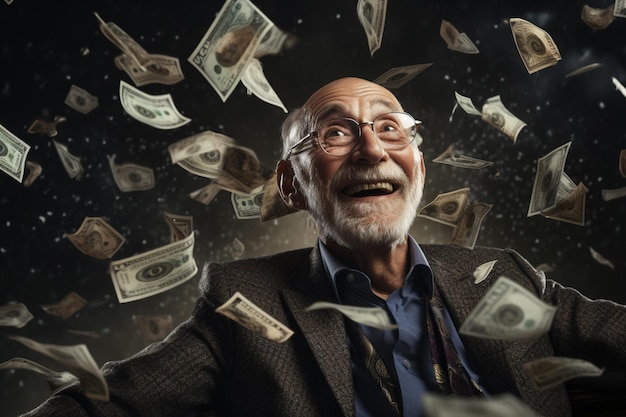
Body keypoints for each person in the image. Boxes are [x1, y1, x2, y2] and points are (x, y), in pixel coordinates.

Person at [21, 77, 626, 417]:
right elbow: (104, 406)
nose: (372, 149)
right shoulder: (244, 300)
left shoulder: (500, 273)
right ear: (291, 185)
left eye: (391, 128)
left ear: (418, 166)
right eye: (336, 132)